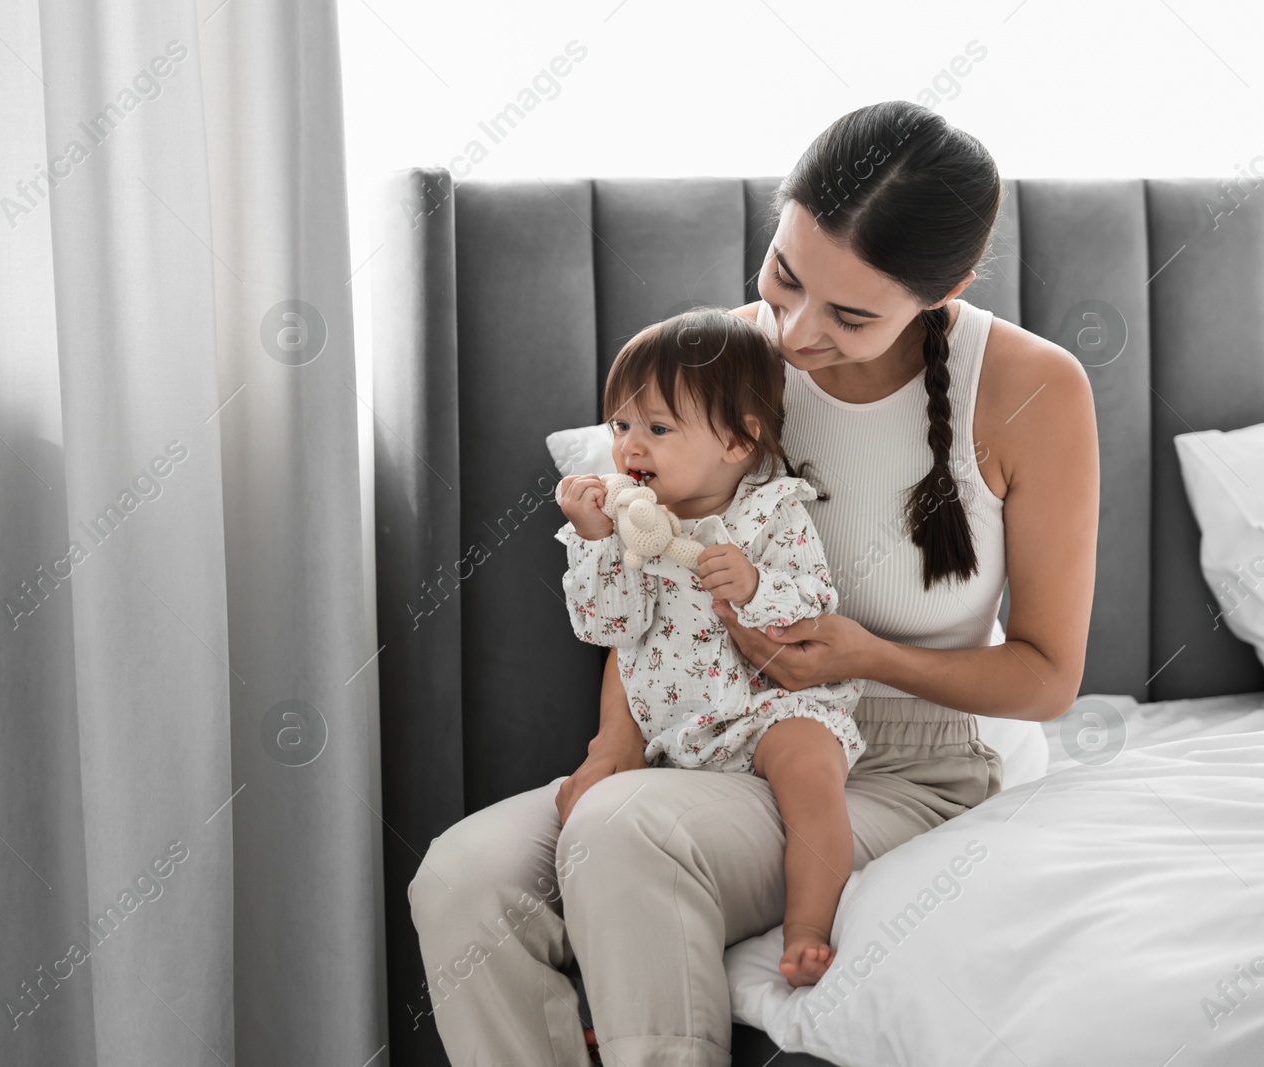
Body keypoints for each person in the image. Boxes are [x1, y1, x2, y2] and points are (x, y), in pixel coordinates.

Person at [408, 99, 1099, 1067]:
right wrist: (613, 742)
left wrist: (861, 654)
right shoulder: (726, 362)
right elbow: (657, 582)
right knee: (462, 877)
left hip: (909, 765)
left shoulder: (1033, 387)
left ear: (944, 289)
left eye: (849, 315)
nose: (796, 330)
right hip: (712, 732)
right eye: (784, 276)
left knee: (623, 832)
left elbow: (1048, 676)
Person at [553, 307, 866, 987]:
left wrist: (754, 584)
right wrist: (596, 539)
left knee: (811, 771)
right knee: (587, 824)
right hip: (675, 732)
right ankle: (618, 987)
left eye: (658, 429)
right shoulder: (627, 527)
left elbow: (814, 608)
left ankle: (809, 925)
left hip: (771, 710)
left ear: (737, 441)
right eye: (621, 426)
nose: (631, 448)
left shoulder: (773, 511)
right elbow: (606, 626)